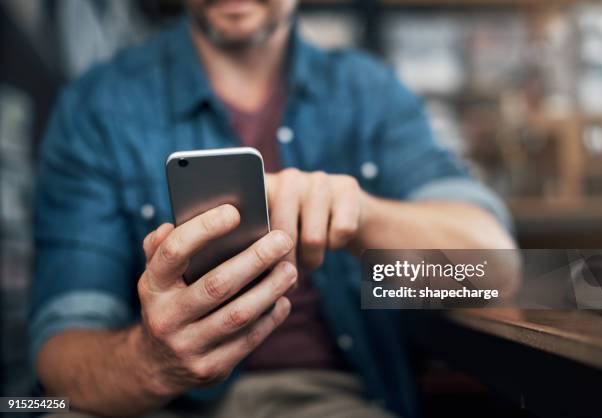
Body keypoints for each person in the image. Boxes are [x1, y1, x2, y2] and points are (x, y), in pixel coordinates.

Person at [30, 0, 516, 416]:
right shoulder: (98, 106)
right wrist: (150, 362)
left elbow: (498, 272)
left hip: (326, 399)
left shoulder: (369, 94)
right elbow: (59, 356)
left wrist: (364, 217)